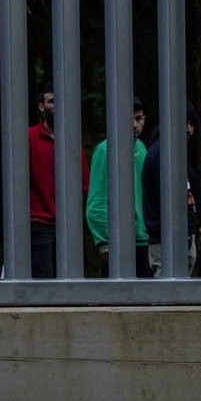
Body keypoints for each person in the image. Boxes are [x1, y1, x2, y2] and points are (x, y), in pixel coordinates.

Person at [28, 81, 90, 278]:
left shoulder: (70, 138)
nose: (57, 106)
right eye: (52, 101)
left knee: (69, 278)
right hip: (38, 222)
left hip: (68, 224)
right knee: (44, 277)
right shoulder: (29, 137)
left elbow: (85, 182)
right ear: (41, 107)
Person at [86, 96, 153, 278]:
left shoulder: (142, 148)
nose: (134, 125)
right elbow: (97, 199)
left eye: (138, 119)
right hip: (117, 241)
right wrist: (104, 241)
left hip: (144, 239)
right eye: (128, 119)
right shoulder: (105, 150)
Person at [141, 102, 200, 277]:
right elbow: (168, 201)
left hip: (178, 237)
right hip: (168, 241)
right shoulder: (162, 154)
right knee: (168, 296)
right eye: (184, 123)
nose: (188, 129)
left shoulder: (173, 153)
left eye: (191, 124)